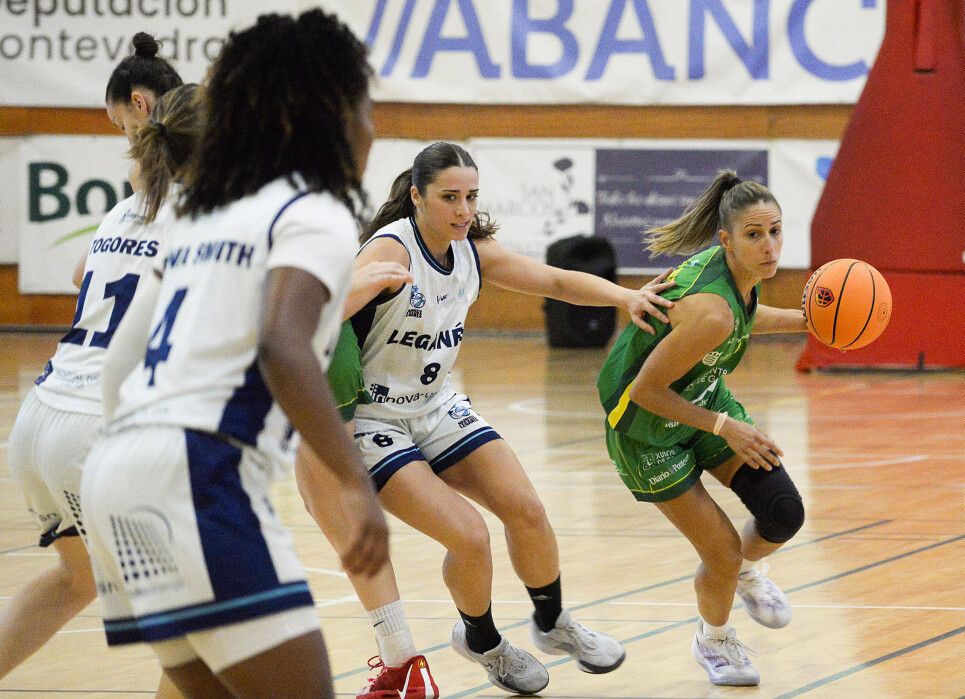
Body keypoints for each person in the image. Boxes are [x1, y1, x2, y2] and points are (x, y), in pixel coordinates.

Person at [78, 11, 389, 698]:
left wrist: (132, 463)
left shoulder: (202, 211)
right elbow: (282, 342)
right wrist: (354, 479)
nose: (374, 127)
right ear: (330, 114)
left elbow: (117, 368)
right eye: (368, 107)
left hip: (114, 471)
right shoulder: (315, 211)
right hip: (200, 471)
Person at [296, 141, 674, 696]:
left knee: (527, 511)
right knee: (470, 537)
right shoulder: (391, 252)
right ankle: (486, 643)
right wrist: (365, 286)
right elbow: (322, 307)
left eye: (471, 197)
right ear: (417, 196)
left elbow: (557, 282)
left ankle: (552, 622)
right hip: (377, 421)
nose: (463, 210)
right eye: (450, 197)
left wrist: (626, 296)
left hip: (437, 406)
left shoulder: (471, 250)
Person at [1, 41, 185, 691]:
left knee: (76, 579)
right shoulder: (204, 212)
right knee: (201, 624)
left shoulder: (124, 206)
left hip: (38, 418)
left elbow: (86, 275)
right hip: (95, 430)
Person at [596, 171, 808, 686]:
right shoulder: (711, 312)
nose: (769, 245)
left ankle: (745, 571)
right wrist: (725, 426)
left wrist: (811, 319)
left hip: (700, 399)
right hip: (645, 428)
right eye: (754, 235)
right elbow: (644, 392)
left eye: (776, 231)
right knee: (721, 553)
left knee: (783, 513)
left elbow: (748, 319)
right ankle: (713, 642)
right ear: (726, 240)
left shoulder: (736, 280)